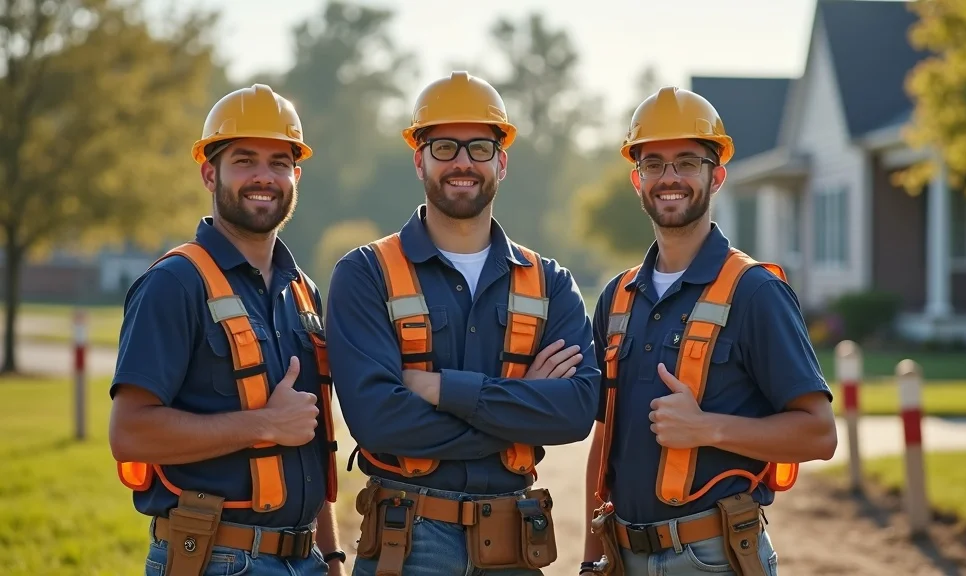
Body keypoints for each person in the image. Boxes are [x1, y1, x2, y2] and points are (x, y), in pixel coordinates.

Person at [325, 71, 601, 576]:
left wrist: (441, 389)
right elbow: (376, 421)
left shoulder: (550, 283)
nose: (462, 163)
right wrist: (522, 406)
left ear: (502, 162)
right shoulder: (366, 274)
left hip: (514, 545)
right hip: (407, 543)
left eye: (479, 148)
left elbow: (576, 413)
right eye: (445, 147)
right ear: (419, 160)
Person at [580, 87, 838, 576]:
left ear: (715, 176)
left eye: (687, 162)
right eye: (653, 164)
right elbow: (604, 438)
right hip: (623, 557)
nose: (669, 177)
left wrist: (707, 428)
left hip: (713, 558)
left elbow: (819, 434)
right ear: (637, 179)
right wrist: (591, 560)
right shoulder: (617, 297)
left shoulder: (756, 292)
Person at [108, 84, 348, 576]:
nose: (264, 176)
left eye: (279, 162)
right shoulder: (175, 284)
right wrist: (262, 424)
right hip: (213, 559)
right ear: (209, 173)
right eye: (244, 160)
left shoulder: (303, 292)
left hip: (306, 559)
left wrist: (332, 558)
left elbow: (308, 438)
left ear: (296, 177)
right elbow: (129, 433)